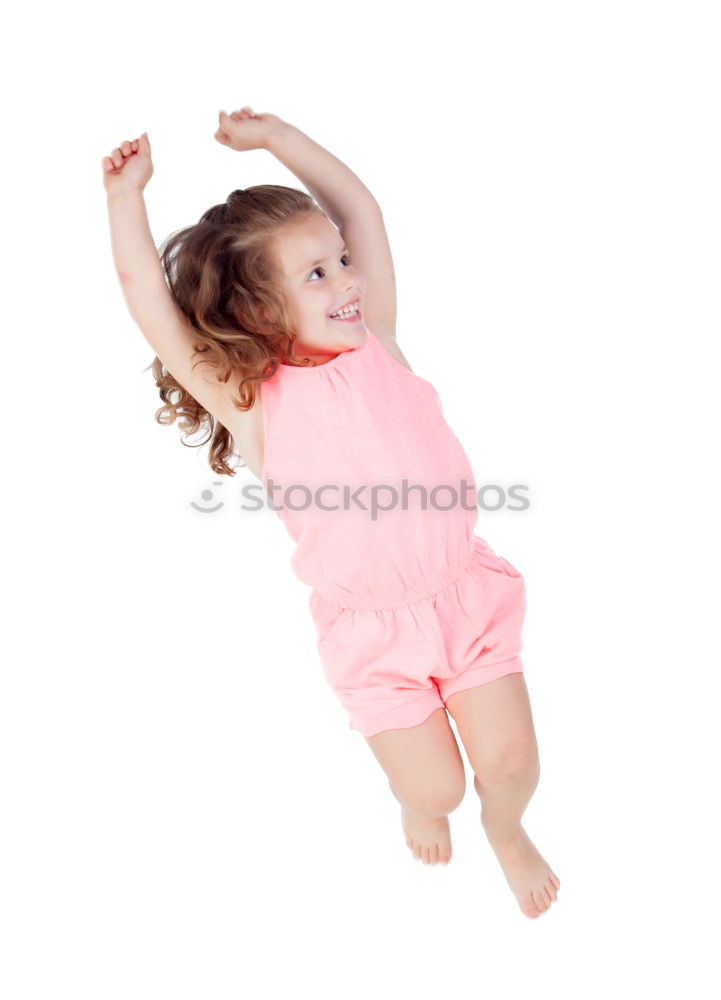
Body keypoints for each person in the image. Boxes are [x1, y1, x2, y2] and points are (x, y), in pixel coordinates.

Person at [101, 108, 560, 918]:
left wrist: (279, 139)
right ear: (256, 311)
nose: (346, 280)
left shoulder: (374, 336)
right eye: (315, 275)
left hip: (465, 595)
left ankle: (507, 825)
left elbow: (362, 211)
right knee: (435, 786)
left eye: (340, 264)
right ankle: (425, 808)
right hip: (370, 634)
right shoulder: (251, 404)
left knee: (514, 762)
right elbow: (151, 307)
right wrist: (125, 197)